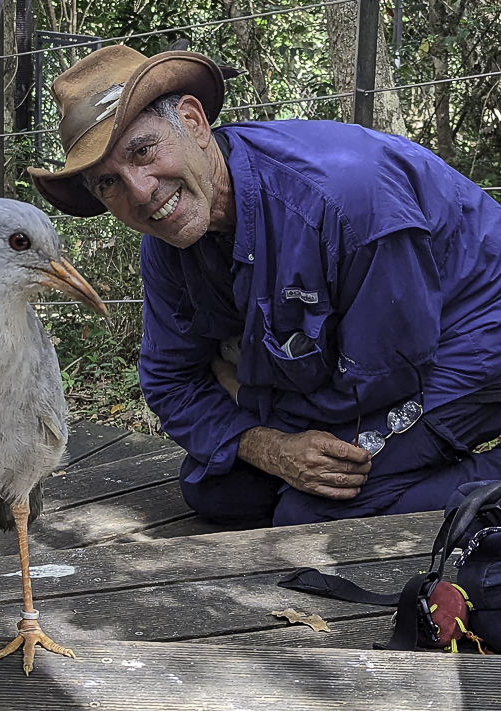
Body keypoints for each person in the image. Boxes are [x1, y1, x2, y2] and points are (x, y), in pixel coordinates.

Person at [28, 44, 501, 528]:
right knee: (221, 492)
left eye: (143, 151)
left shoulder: (345, 198)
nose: (141, 191)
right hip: (348, 376)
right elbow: (170, 381)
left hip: (469, 339)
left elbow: (385, 375)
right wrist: (268, 446)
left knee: (310, 513)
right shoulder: (168, 234)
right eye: (108, 183)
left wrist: (243, 395)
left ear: (192, 122)